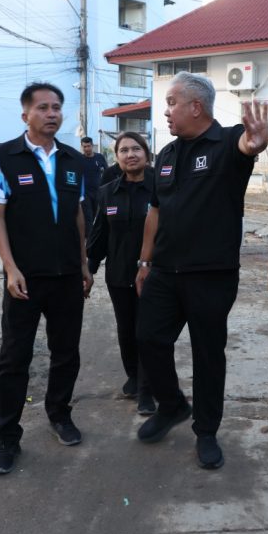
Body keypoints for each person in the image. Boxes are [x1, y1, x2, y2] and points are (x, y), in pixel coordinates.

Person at [134, 71, 268, 470]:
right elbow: (155, 211)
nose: (166, 111)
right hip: (164, 272)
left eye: (171, 103)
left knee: (207, 354)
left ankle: (206, 432)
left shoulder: (227, 142)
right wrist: (145, 261)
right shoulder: (167, 154)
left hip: (211, 274)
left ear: (196, 106)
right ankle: (172, 405)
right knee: (148, 339)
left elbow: (247, 146)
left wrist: (255, 143)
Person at [0, 82, 93, 476]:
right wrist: (10, 268)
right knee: (15, 358)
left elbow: (78, 215)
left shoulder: (73, 160)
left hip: (67, 276)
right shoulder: (3, 158)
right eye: (43, 107)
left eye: (56, 107)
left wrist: (84, 263)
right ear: (25, 114)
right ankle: (7, 437)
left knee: (66, 352)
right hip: (25, 279)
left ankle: (59, 413)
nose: (52, 114)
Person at [87, 131, 156, 416]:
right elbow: (99, 236)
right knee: (126, 330)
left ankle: (147, 390)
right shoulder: (107, 193)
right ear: (116, 158)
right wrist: (89, 270)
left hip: (154, 276)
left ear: (146, 153)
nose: (130, 154)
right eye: (124, 150)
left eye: (136, 149)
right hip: (118, 275)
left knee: (147, 332)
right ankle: (134, 376)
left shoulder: (161, 187)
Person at [80, 136, 109, 237]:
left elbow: (107, 172)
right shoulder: (79, 159)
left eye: (88, 146)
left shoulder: (99, 157)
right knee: (88, 216)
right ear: (82, 147)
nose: (87, 149)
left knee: (97, 216)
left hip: (98, 192)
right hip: (85, 193)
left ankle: (97, 236)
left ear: (92, 146)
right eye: (84, 147)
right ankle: (89, 239)